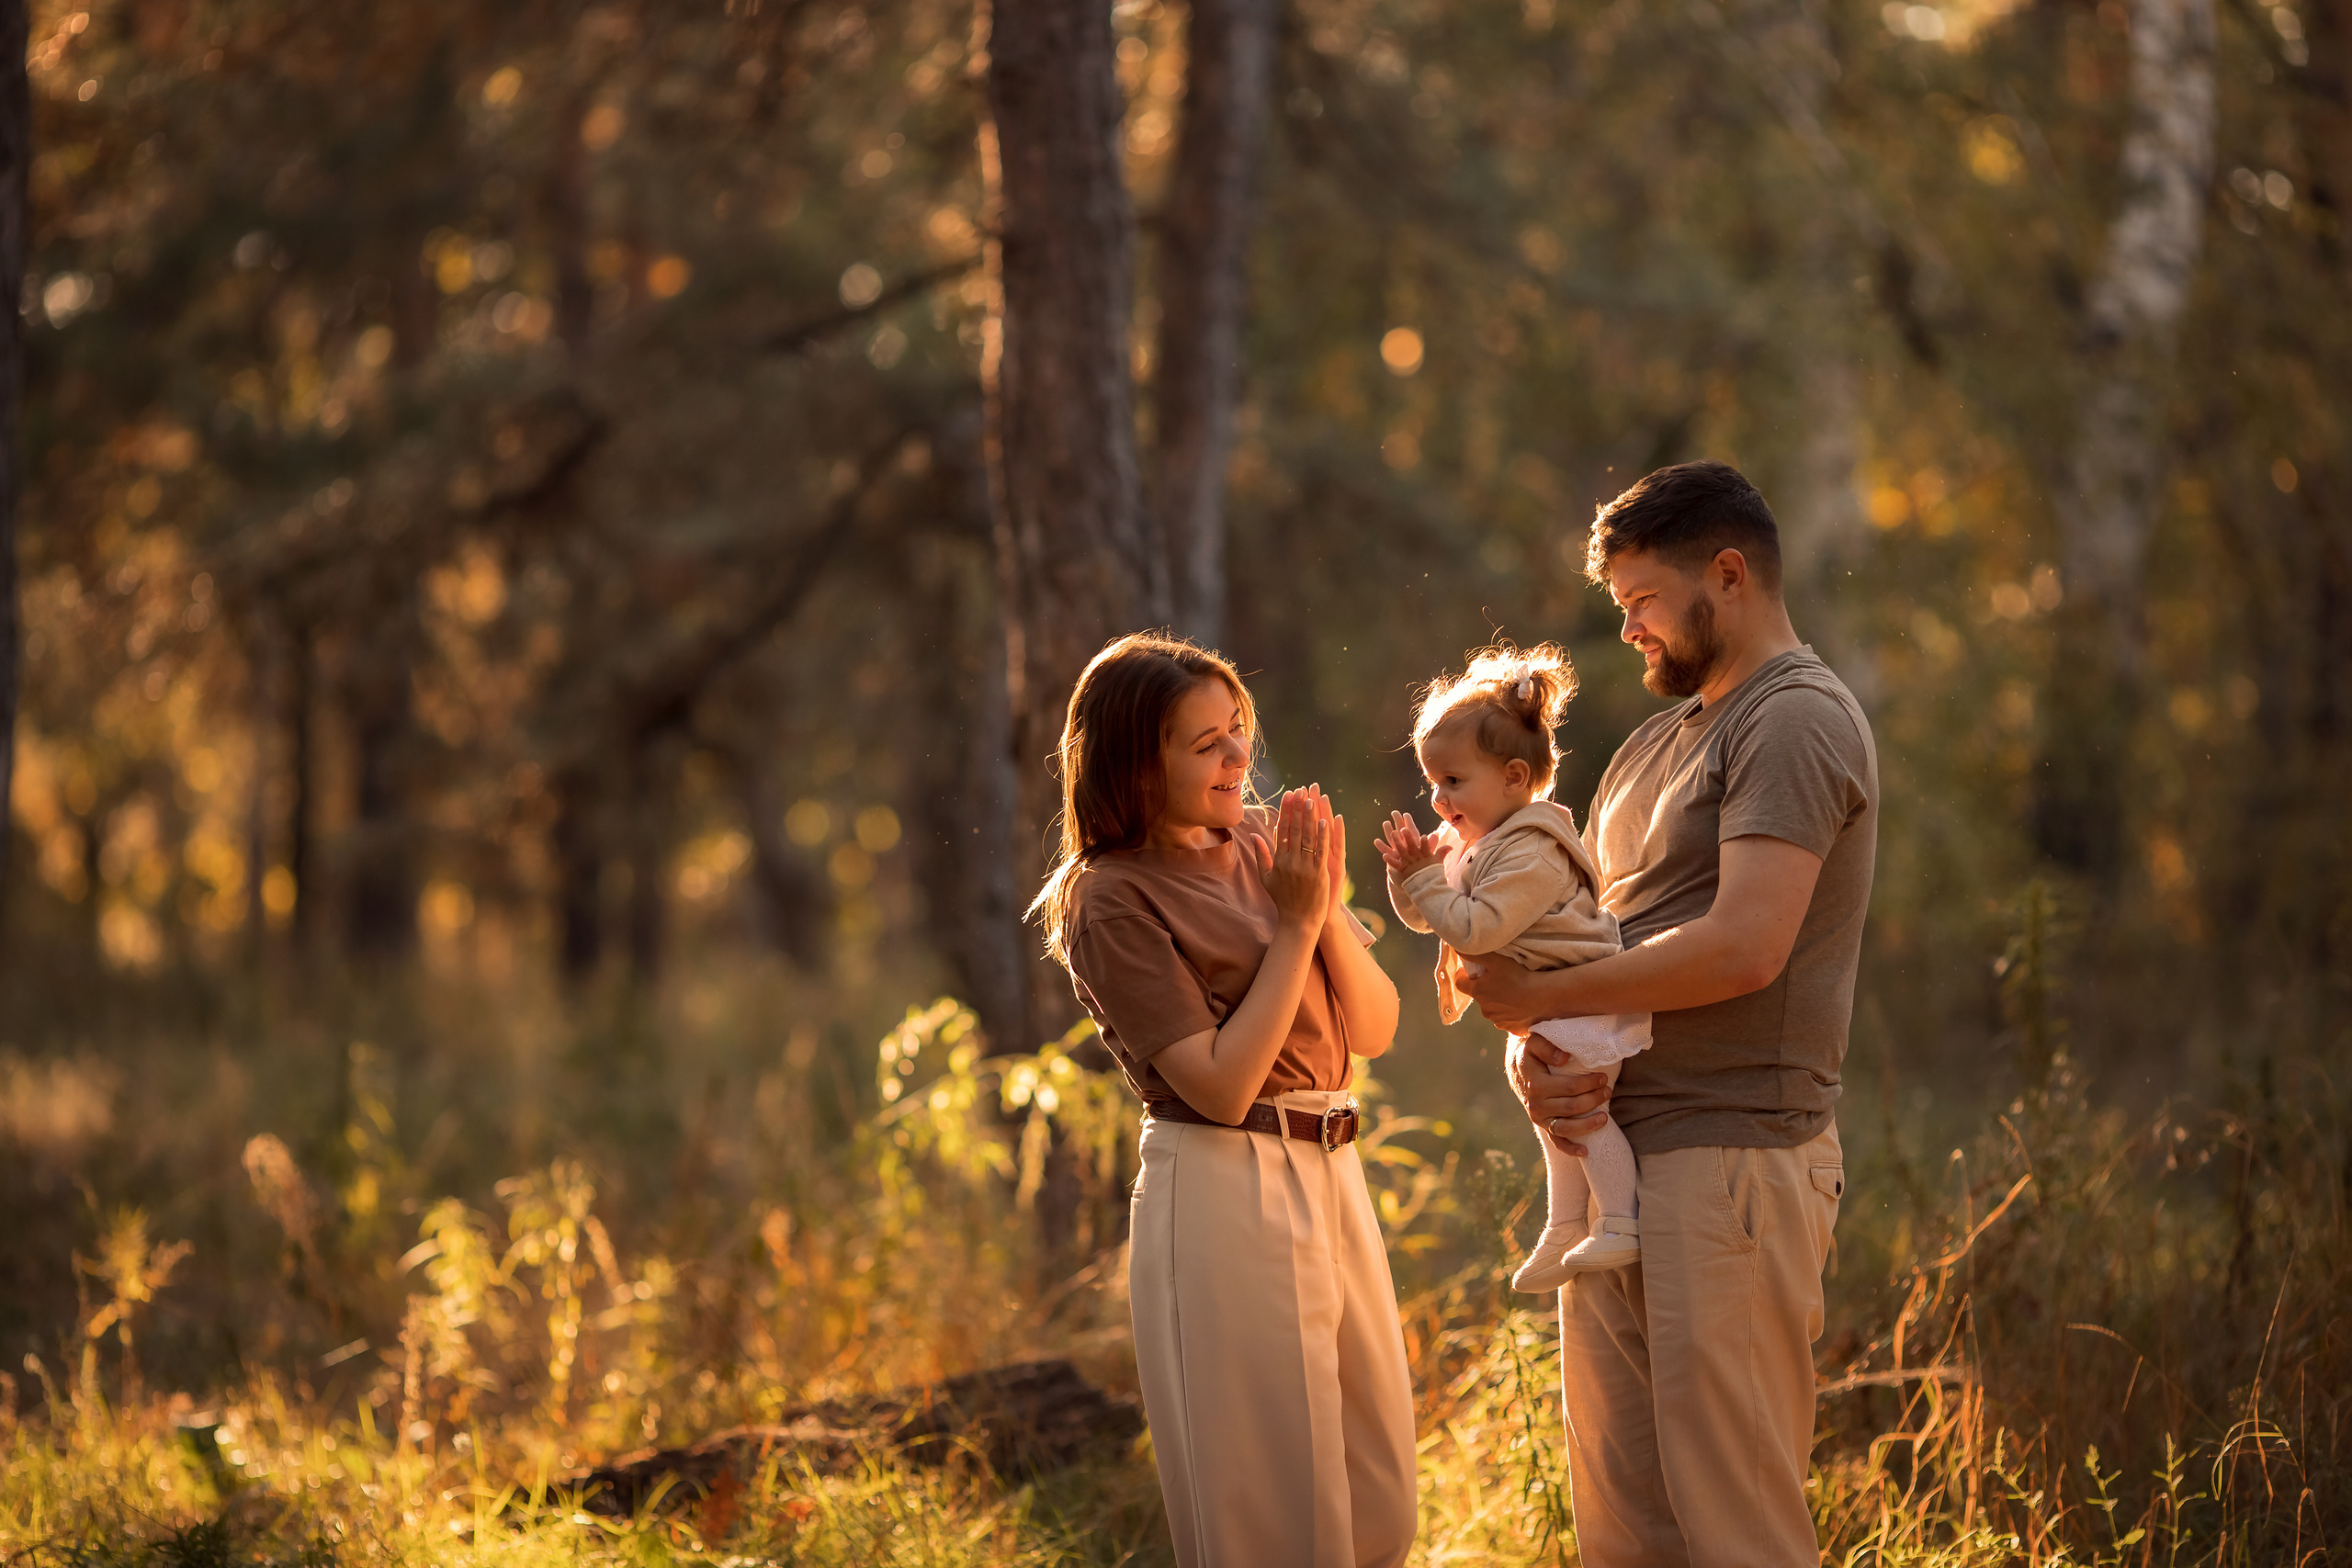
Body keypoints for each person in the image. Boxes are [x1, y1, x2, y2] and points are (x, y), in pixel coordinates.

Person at [1455, 460, 1878, 1567]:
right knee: (1627, 1536)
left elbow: (1745, 948)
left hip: (1730, 1160)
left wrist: (1541, 998)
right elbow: (1583, 949)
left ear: (1726, 575)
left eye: (1643, 602)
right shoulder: (1652, 745)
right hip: (1620, 1177)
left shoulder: (1793, 720)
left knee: (1736, 1532)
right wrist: (1535, 1057)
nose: (1631, 631)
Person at [1028, 631, 1418, 1568]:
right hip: (1226, 1181)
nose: (1239, 758)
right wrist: (1292, 927)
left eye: (1237, 731)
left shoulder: (1260, 842)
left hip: (1331, 1161)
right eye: (1205, 744)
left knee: (1379, 1498)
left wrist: (1318, 906)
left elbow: (1375, 1027)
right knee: (1278, 1514)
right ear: (1134, 761)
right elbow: (1218, 1084)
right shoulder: (1110, 897)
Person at [1374, 640, 1653, 1292]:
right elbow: (1427, 916)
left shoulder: (1530, 849)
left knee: (1585, 1116)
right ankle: (1564, 1225)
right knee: (1556, 1116)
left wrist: (1427, 880)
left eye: (1453, 781)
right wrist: (1408, 873)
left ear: (1515, 778)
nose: (1439, 800)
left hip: (1589, 1006)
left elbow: (1477, 926)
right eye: (1432, 782)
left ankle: (1621, 1218)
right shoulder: (1477, 841)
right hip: (1552, 1013)